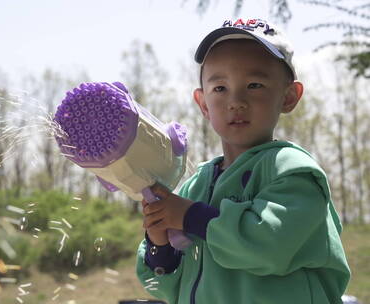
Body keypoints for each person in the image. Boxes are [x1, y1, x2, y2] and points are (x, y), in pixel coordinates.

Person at [135, 18, 351, 304]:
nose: (236, 100)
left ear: (288, 96)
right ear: (203, 104)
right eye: (220, 88)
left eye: (254, 84)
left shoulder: (292, 172)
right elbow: (165, 289)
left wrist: (189, 216)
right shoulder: (195, 186)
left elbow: (268, 245)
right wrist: (160, 243)